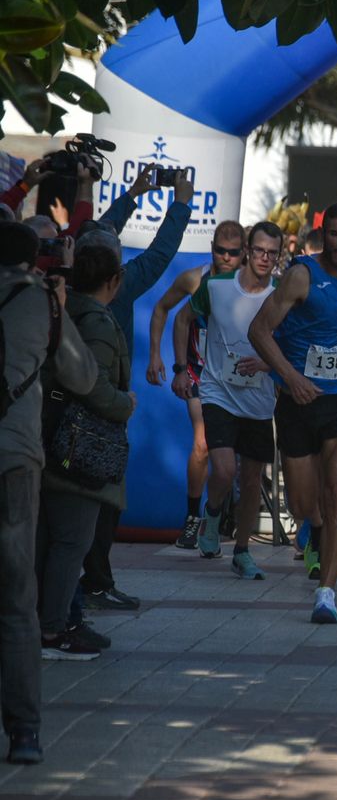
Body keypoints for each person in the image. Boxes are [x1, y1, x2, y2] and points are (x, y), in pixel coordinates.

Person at [249, 202, 337, 624]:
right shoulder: (302, 276)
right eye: (335, 235)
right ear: (323, 234)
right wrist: (290, 377)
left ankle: (327, 590)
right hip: (298, 400)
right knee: (309, 504)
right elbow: (259, 330)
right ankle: (317, 533)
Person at [75, 170, 195, 613]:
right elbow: (161, 253)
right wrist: (181, 202)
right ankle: (95, 583)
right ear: (112, 270)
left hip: (56, 412)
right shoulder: (117, 289)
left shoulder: (65, 283)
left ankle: (74, 584)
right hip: (103, 413)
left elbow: (94, 235)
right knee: (106, 500)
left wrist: (131, 196)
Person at [0, 222, 97, 765]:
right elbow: (81, 377)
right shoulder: (41, 301)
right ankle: (25, 733)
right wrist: (58, 301)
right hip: (14, 459)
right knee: (17, 603)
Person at [37, 243, 135, 663]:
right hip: (79, 449)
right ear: (114, 281)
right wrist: (123, 403)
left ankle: (55, 620)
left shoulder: (62, 306)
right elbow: (89, 383)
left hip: (51, 438)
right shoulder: (94, 319)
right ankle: (53, 629)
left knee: (51, 541)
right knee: (71, 542)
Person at [180, 221, 283, 580]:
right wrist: (181, 368)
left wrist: (269, 362)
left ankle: (242, 551)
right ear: (247, 252)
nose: (264, 258)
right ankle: (211, 514)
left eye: (272, 252)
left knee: (253, 479)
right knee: (224, 469)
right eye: (258, 251)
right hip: (218, 390)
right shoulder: (216, 286)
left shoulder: (282, 292)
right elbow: (183, 317)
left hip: (258, 398)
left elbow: (294, 343)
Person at [144, 221, 245, 547]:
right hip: (202, 373)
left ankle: (221, 513)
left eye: (233, 252)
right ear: (211, 247)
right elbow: (162, 309)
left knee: (235, 454)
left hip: (240, 376)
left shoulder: (252, 284)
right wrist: (163, 360)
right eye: (220, 250)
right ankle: (192, 517)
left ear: (243, 253)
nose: (226, 258)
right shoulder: (194, 279)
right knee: (202, 445)